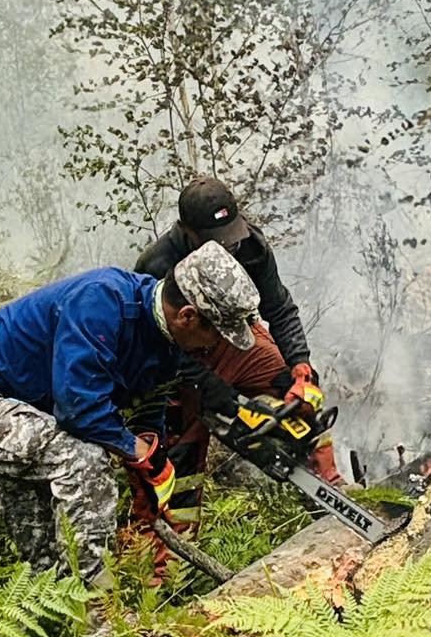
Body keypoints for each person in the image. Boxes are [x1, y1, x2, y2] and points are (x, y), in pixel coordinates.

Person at [0, 243, 260, 575]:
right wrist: (134, 451)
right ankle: (96, 602)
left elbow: (149, 403)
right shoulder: (101, 300)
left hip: (31, 414)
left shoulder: (167, 340)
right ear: (187, 316)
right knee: (82, 458)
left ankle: (57, 597)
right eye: (217, 335)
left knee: (44, 551)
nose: (215, 345)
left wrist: (149, 460)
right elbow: (78, 409)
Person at [134, 176, 342, 485]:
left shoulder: (251, 247)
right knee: (182, 446)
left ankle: (328, 482)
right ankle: (180, 512)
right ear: (186, 230)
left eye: (230, 234)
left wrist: (301, 365)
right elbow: (153, 342)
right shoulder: (156, 265)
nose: (229, 245)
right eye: (216, 239)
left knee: (291, 391)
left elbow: (279, 309)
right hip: (177, 358)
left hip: (234, 337)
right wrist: (214, 388)